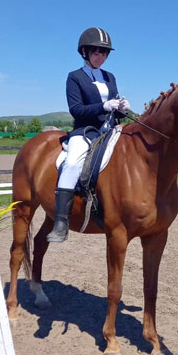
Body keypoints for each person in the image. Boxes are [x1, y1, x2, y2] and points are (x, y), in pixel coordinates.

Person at [46, 27, 130, 242]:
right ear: (85, 52)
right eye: (96, 52)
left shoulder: (109, 77)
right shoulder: (74, 77)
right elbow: (76, 109)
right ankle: (61, 222)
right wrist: (104, 105)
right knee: (73, 163)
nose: (100, 56)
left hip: (110, 131)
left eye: (104, 53)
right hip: (84, 131)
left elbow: (114, 108)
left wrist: (122, 108)